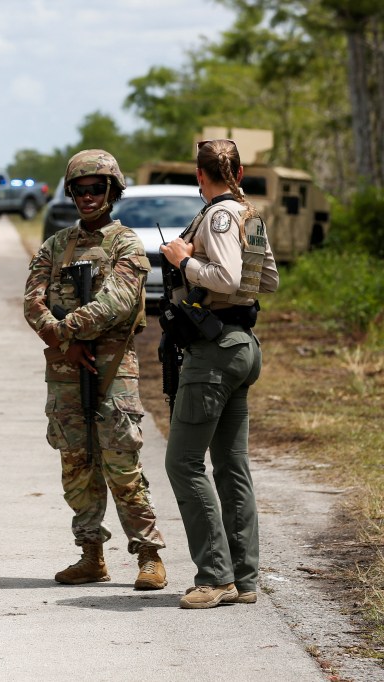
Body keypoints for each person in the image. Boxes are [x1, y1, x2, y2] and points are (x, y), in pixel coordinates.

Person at [23, 149, 168, 590]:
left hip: (111, 368)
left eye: (96, 189)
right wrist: (64, 340)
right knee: (76, 464)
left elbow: (118, 301)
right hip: (66, 368)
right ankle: (90, 555)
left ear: (112, 191)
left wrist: (67, 329)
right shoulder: (56, 245)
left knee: (122, 464)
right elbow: (33, 299)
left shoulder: (124, 243)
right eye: (80, 190)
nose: (88, 197)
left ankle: (148, 555)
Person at [160, 138, 278, 609]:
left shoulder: (220, 216)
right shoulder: (250, 215)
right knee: (230, 465)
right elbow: (266, 281)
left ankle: (215, 576)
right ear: (241, 171)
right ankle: (244, 579)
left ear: (199, 175)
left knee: (183, 463)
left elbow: (228, 278)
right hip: (242, 345)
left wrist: (183, 260)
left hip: (216, 351)